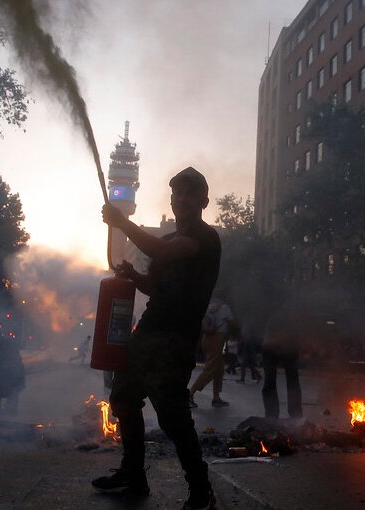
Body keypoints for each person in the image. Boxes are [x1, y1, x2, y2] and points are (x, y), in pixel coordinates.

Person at [91, 167, 220, 510]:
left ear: (203, 202)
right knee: (122, 400)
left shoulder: (206, 239)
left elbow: (166, 254)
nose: (183, 199)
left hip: (175, 338)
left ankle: (200, 488)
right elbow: (155, 285)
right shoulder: (164, 242)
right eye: (178, 194)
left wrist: (122, 223)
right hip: (148, 331)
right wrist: (134, 276)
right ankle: (133, 475)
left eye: (191, 194)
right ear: (173, 200)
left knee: (172, 415)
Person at [188, 297, 234, 408]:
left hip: (206, 338)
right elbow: (233, 322)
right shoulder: (224, 308)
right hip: (217, 338)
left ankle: (216, 398)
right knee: (210, 369)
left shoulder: (209, 306)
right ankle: (190, 394)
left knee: (219, 369)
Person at [262, 303, 303, 420]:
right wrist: (278, 339)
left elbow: (298, 341)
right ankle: (271, 415)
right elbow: (266, 343)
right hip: (270, 351)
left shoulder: (295, 325)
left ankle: (296, 415)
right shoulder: (275, 321)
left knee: (293, 381)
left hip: (289, 350)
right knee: (270, 380)